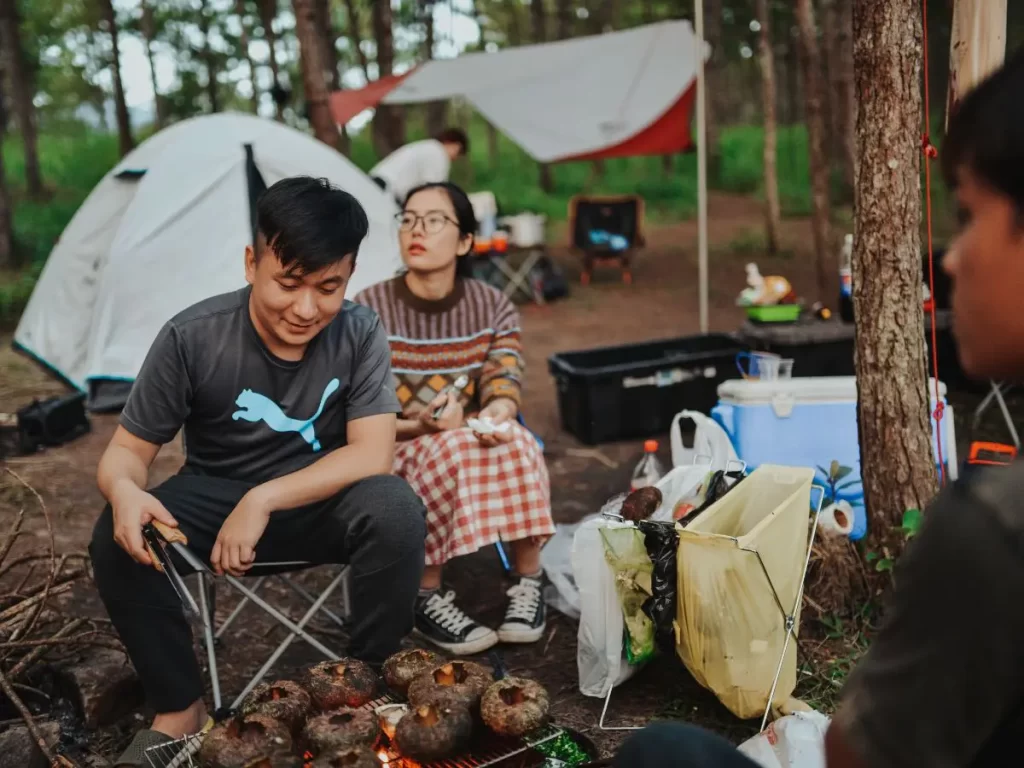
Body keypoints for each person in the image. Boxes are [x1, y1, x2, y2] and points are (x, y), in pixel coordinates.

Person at [600, 46, 1024, 768]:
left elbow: (858, 756)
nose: (949, 259)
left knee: (662, 754)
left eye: (968, 214)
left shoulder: (994, 527)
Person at [91, 176, 427, 765]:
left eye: (328, 288)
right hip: (212, 500)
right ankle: (180, 709)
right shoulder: (192, 337)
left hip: (320, 502)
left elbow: (373, 455)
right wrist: (123, 490)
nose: (305, 308)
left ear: (348, 277)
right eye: (288, 283)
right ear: (252, 262)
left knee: (394, 504)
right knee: (116, 535)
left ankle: (369, 688)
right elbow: (126, 453)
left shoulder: (359, 330)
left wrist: (265, 498)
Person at [353, 181, 555, 655]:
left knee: (518, 439)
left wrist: (498, 411)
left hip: (464, 431)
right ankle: (424, 595)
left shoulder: (492, 304)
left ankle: (529, 580)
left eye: (434, 220)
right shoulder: (367, 310)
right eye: (408, 219)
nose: (416, 230)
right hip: (395, 439)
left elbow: (504, 376)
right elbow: (360, 410)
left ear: (465, 241)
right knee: (447, 447)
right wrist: (420, 425)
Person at [369, 128, 469, 207]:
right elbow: (434, 190)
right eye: (458, 154)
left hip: (374, 184)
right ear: (456, 145)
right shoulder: (438, 153)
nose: (455, 159)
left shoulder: (427, 146)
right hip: (385, 192)